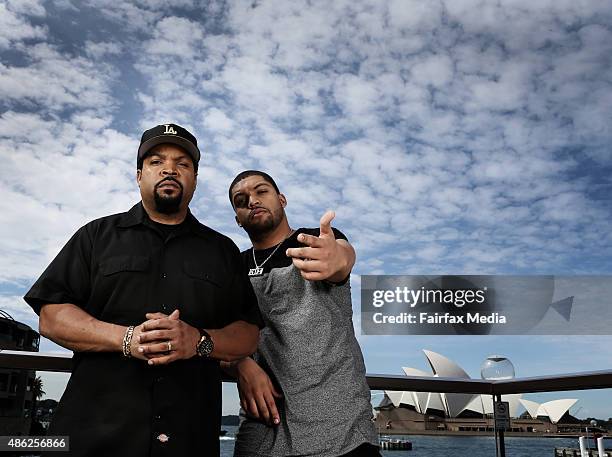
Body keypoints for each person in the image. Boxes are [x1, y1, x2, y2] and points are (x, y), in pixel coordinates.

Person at [24, 124, 264, 457]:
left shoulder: (222, 251)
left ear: (194, 179)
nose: (170, 169)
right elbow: (51, 316)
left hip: (189, 440)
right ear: (139, 176)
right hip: (92, 438)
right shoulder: (94, 236)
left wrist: (199, 341)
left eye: (183, 163)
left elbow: (248, 332)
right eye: (156, 161)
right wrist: (126, 338)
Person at [226, 170, 380, 457]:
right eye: (241, 199)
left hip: (342, 431)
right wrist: (239, 363)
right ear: (237, 218)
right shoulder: (233, 268)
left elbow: (341, 257)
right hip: (262, 431)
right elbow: (218, 335)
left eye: (262, 191)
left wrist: (338, 257)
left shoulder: (314, 243)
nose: (253, 201)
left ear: (282, 199)